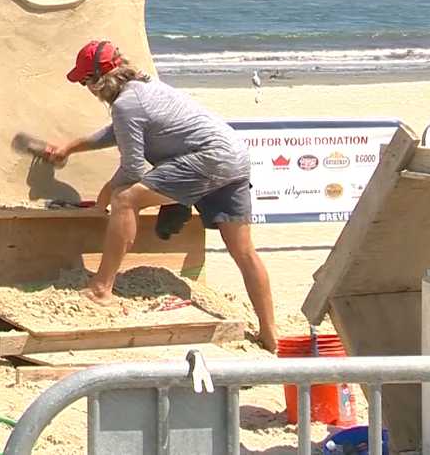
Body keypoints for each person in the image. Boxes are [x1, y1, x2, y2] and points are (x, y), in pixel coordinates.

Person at [44, 40, 278, 352]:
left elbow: (134, 167)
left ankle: (101, 289)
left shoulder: (126, 104)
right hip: (234, 157)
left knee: (125, 198)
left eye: (87, 82)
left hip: (207, 159)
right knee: (244, 252)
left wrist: (103, 198)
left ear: (100, 80)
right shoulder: (144, 88)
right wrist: (71, 147)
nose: (88, 89)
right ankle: (270, 335)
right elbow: (118, 131)